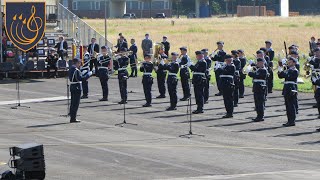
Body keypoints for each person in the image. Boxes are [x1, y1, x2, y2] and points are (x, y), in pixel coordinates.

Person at [69, 58, 92, 123]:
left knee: (72, 102)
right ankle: (73, 118)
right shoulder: (76, 70)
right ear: (77, 63)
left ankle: (72, 115)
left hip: (72, 86)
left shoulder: (71, 68)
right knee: (75, 103)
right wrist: (88, 75)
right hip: (76, 87)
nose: (80, 65)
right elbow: (80, 78)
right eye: (79, 63)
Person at [278, 57, 299, 127]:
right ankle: (289, 120)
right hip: (287, 88)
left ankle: (292, 120)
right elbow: (280, 76)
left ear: (294, 63)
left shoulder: (295, 70)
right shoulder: (288, 69)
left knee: (291, 105)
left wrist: (284, 71)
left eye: (290, 62)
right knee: (287, 105)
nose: (288, 63)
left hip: (291, 88)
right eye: (288, 62)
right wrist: (280, 68)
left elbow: (288, 76)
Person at [248, 58, 268, 122]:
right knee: (257, 102)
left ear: (263, 63)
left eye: (260, 62)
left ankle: (261, 116)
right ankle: (258, 115)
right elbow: (251, 75)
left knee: (260, 102)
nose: (258, 64)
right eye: (258, 62)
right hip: (256, 86)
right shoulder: (257, 69)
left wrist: (251, 72)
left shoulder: (263, 70)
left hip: (261, 86)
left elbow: (255, 75)